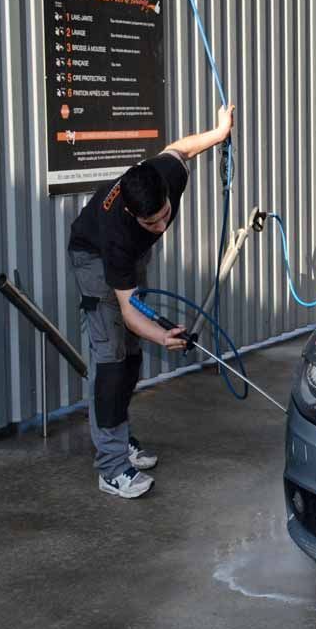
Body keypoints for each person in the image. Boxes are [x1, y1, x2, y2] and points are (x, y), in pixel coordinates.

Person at [68, 104, 234, 499]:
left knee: (132, 355)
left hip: (133, 258)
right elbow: (128, 312)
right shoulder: (117, 235)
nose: (161, 226)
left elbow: (182, 149)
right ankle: (110, 469)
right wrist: (166, 337)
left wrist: (219, 132)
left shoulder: (167, 175)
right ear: (130, 213)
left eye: (164, 216)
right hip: (92, 258)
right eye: (151, 223)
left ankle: (120, 437)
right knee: (111, 358)